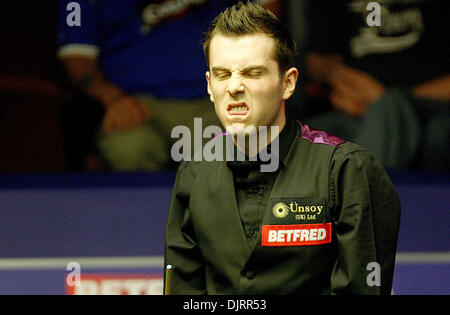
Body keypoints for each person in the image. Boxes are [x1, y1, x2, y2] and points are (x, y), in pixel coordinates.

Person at [164, 2, 401, 295]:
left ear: (287, 83)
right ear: (210, 86)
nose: (235, 87)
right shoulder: (194, 172)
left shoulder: (347, 170)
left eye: (252, 73)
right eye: (223, 74)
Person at [304, 0, 449, 171]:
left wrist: (391, 100)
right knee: (297, 138)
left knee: (391, 107)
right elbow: (318, 62)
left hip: (431, 107)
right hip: (356, 107)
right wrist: (339, 76)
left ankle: (364, 194)